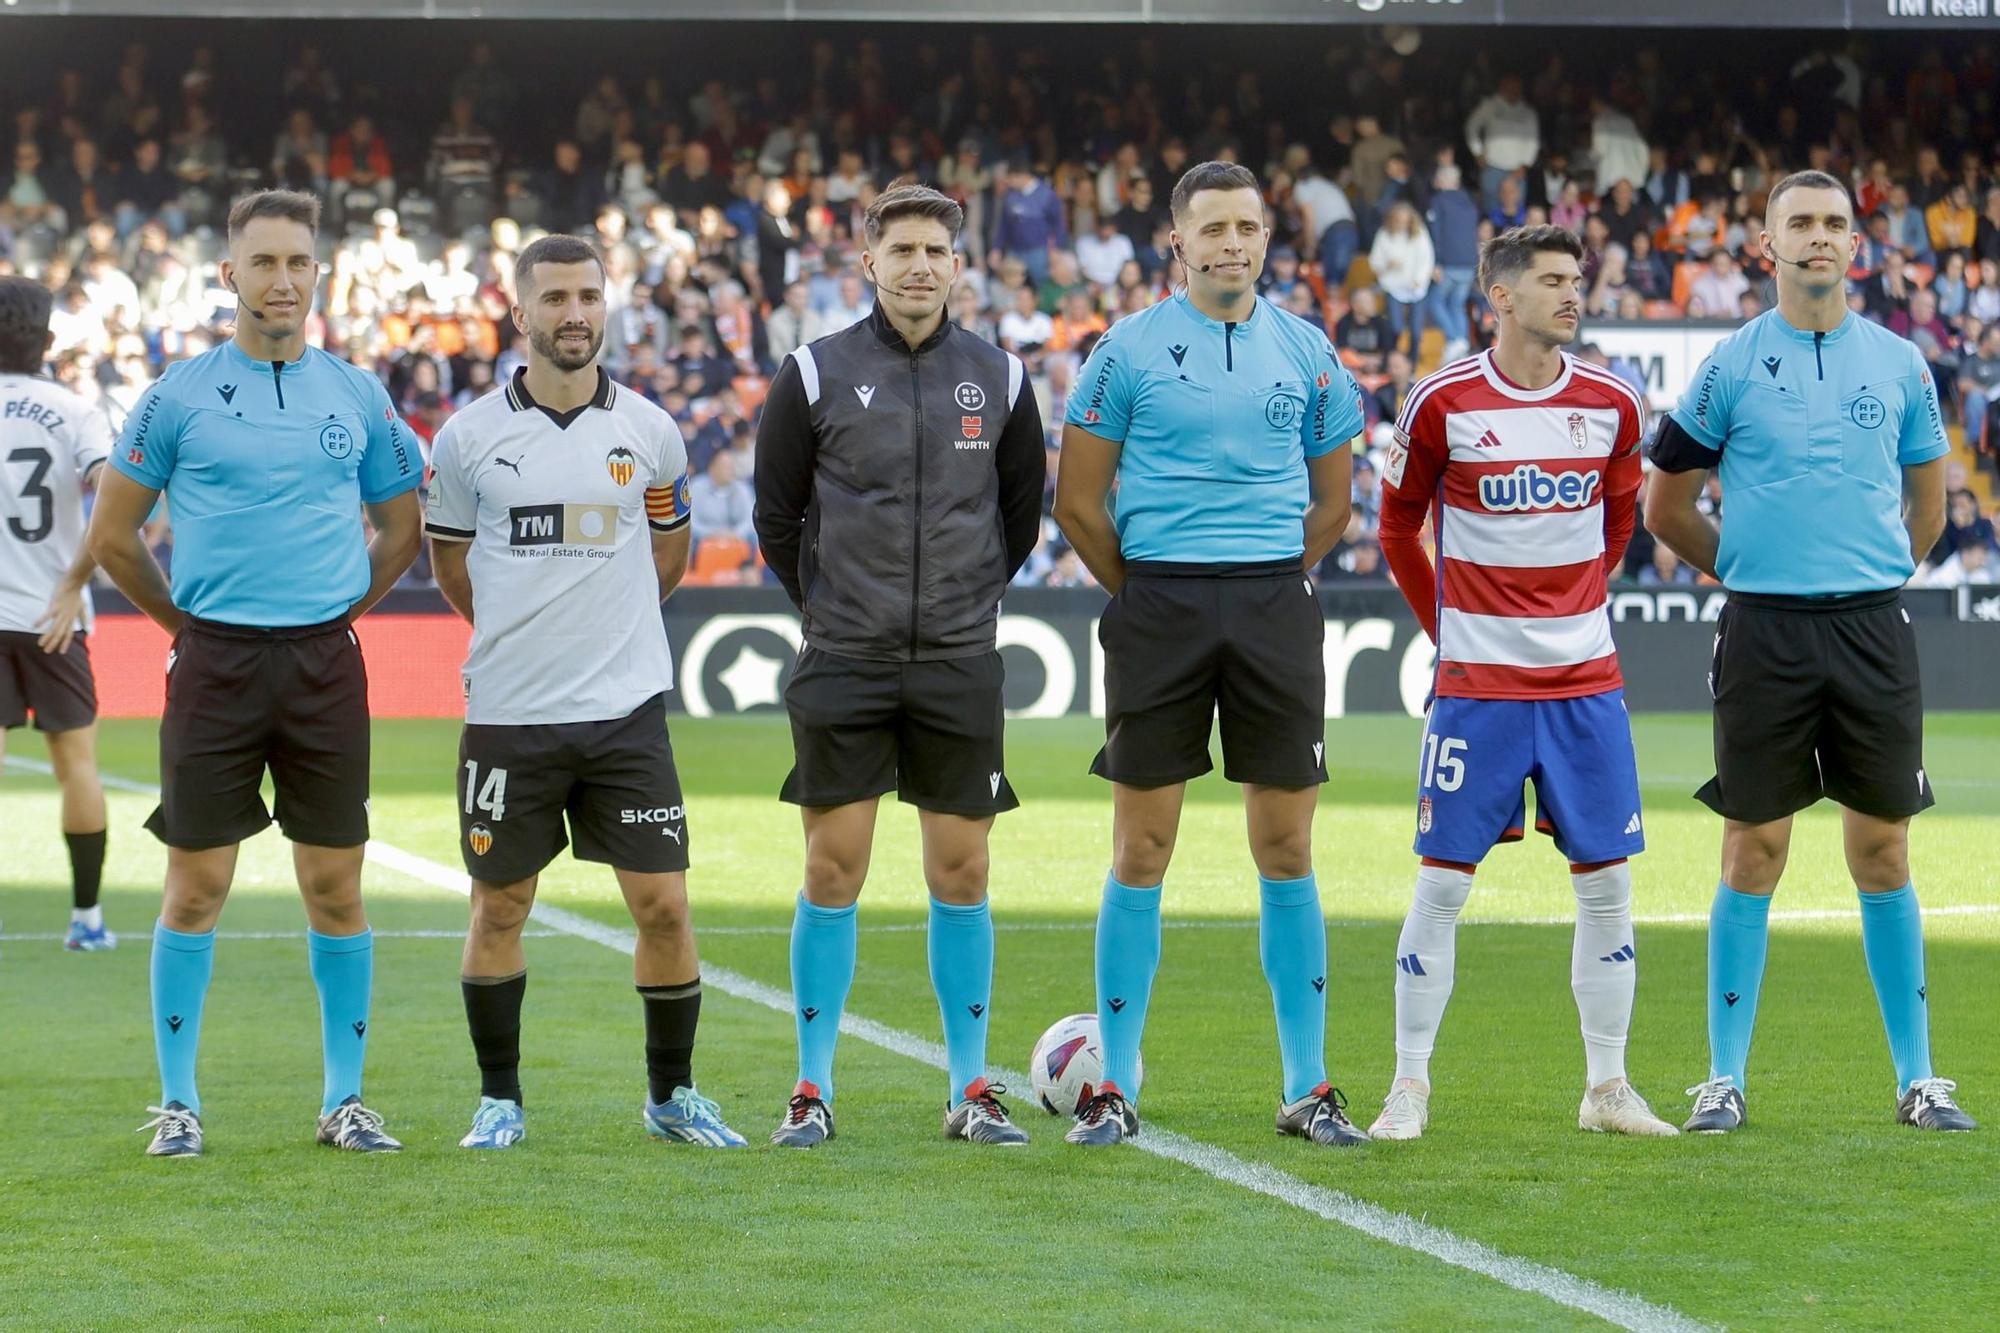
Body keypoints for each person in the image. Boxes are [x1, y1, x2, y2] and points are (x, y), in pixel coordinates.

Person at [86, 190, 423, 1158]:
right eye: (264, 262)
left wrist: (336, 612)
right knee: (195, 886)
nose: (283, 279)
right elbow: (113, 537)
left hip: (323, 664)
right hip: (215, 664)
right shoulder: (175, 395)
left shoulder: (357, 395)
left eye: (298, 263)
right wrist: (184, 627)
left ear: (318, 275)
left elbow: (401, 529)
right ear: (228, 275)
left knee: (334, 886)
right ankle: (180, 1103)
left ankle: (344, 1100)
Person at [1644, 170, 1974, 1134]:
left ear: (1858, 247)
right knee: (1755, 847)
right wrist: (1747, 571)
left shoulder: (1904, 364)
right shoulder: (1730, 364)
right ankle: (1722, 1079)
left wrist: (1874, 574)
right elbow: (1665, 506)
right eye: (1802, 224)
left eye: (1836, 223)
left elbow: (1930, 508)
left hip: (1874, 629)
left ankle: (1919, 1079)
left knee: (1882, 850)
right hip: (1764, 632)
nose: (1820, 238)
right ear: (1768, 245)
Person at [1053, 161, 1367, 1148]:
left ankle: (1306, 1086)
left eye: (1247, 226)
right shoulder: (1125, 351)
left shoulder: (1306, 351)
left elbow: (1333, 502)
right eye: (1212, 228)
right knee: (1141, 847)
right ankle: (1113, 1085)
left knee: (1285, 849)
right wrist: (1148, 593)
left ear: (1268, 238)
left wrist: (1267, 579)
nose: (1232, 243)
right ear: (1176, 242)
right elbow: (1076, 502)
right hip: (1159, 607)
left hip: (1274, 605)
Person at [425, 234, 744, 1151]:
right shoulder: (468, 436)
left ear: (608, 307)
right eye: (556, 298)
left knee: (666, 906)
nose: (575, 314)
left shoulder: (650, 430)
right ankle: (500, 1100)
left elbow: (668, 554)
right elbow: (452, 565)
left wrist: (610, 625)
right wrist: (522, 631)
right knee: (499, 906)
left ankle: (671, 1095)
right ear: (520, 313)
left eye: (590, 297)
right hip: (510, 715)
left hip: (625, 713)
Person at [1367, 225, 1676, 1141]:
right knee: (1443, 885)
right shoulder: (1440, 402)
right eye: (1551, 280)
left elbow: (1620, 525)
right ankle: (1410, 1086)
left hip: (1586, 687)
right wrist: (1453, 631)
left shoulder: (1615, 402)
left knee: (1606, 884)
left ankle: (1608, 1087)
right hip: (1480, 693)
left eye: (1576, 278)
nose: (1571, 294)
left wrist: (1570, 608)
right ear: (1499, 297)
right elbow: (1396, 531)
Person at [753, 184, 1046, 1149]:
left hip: (960, 662)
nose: (920, 265)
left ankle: (971, 1089)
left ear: (958, 266)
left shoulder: (999, 378)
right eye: (902, 249)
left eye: (936, 250)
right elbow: (778, 518)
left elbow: (1016, 519)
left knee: (961, 871)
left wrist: (963, 604)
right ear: (867, 264)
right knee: (833, 868)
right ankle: (810, 1087)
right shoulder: (812, 372)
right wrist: (835, 607)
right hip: (845, 659)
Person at [0, 276, 113, 951]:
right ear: (46, 342)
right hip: (55, 616)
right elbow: (114, 495)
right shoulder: (74, 410)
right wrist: (75, 580)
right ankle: (88, 919)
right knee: (79, 767)